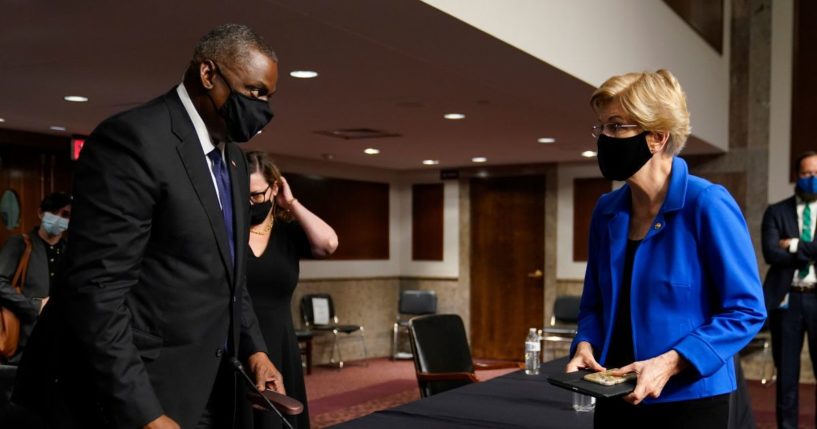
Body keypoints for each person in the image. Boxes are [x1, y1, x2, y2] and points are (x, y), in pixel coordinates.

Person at [12, 24, 285, 429]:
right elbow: (98, 291)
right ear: (208, 74)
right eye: (254, 91)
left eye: (268, 96)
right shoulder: (133, 141)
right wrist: (143, 411)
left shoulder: (234, 161)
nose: (263, 107)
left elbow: (232, 276)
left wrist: (255, 350)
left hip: (208, 385)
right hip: (132, 394)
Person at [565, 69, 766, 428]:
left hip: (689, 399)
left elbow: (746, 310)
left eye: (615, 126)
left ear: (656, 137)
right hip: (615, 391)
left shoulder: (707, 203)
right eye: (602, 128)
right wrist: (585, 344)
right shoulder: (606, 210)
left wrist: (670, 362)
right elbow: (593, 305)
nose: (603, 139)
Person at [240, 151, 338, 429]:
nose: (250, 203)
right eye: (242, 195)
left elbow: (329, 243)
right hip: (237, 341)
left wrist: (291, 203)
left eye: (257, 195)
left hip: (280, 341)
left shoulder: (287, 231)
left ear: (274, 187)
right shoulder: (227, 231)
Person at [761, 151, 817, 429]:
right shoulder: (777, 211)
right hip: (787, 301)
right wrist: (810, 252)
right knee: (787, 377)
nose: (813, 179)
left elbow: (783, 249)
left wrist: (793, 245)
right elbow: (771, 253)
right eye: (807, 174)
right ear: (797, 176)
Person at [0, 192, 71, 364]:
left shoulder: (70, 251)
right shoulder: (20, 243)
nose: (58, 218)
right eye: (53, 212)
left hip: (61, 340)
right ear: (41, 213)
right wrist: (34, 306)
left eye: (65, 215)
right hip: (24, 339)